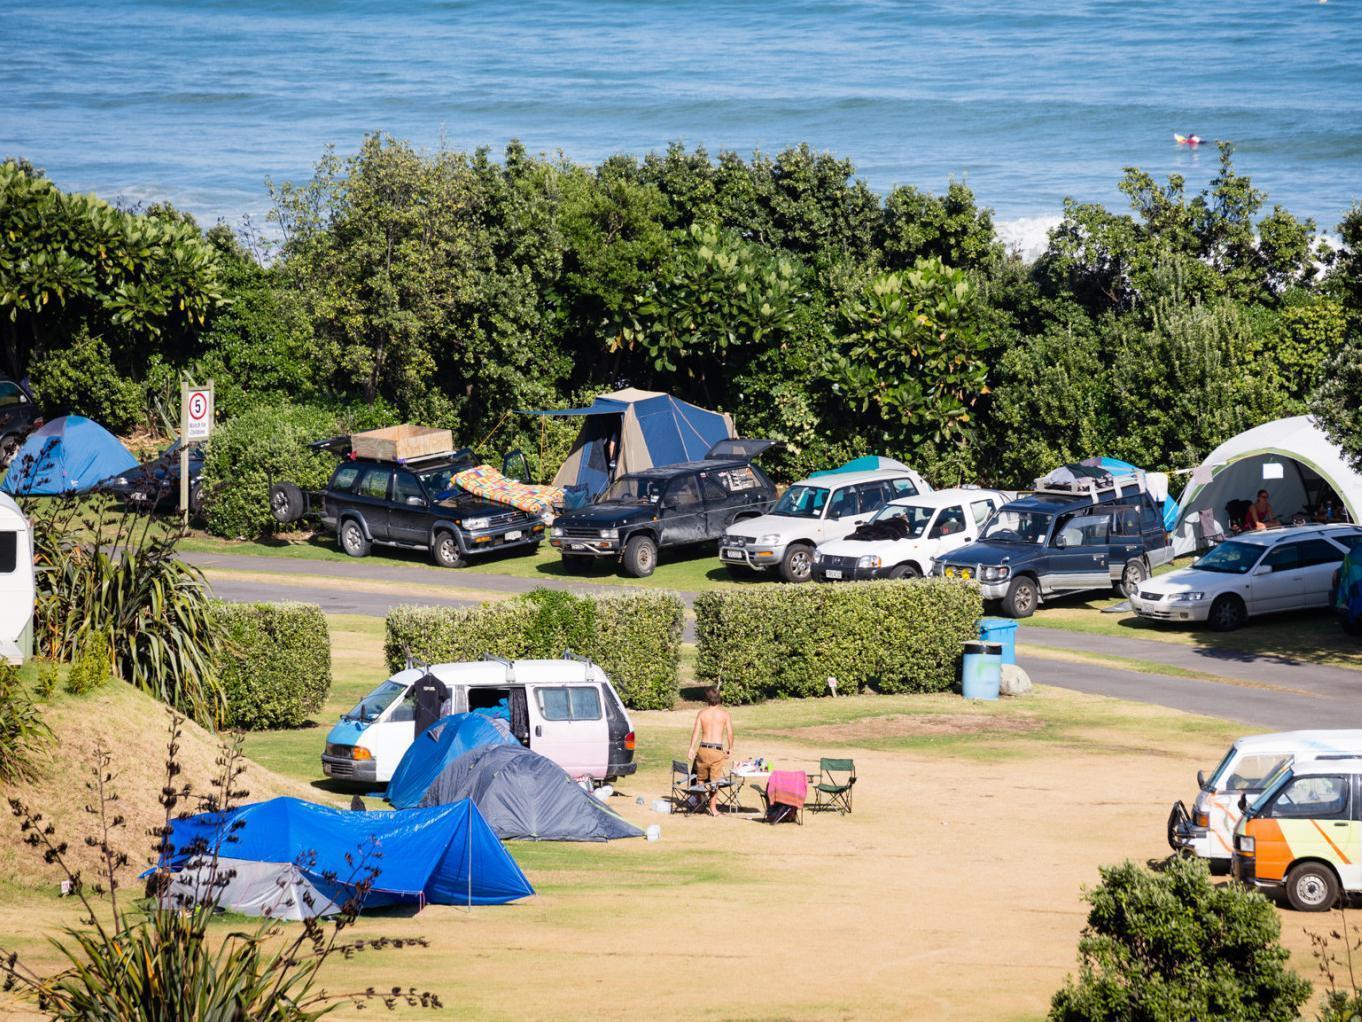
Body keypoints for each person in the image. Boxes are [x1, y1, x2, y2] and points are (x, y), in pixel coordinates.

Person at [687, 686, 734, 817]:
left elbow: (696, 731)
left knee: (701, 779)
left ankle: (700, 803)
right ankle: (713, 809)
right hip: (716, 750)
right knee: (715, 781)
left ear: (707, 699)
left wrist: (691, 747)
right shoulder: (724, 714)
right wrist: (730, 748)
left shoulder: (702, 713)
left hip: (703, 749)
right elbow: (730, 733)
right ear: (719, 699)